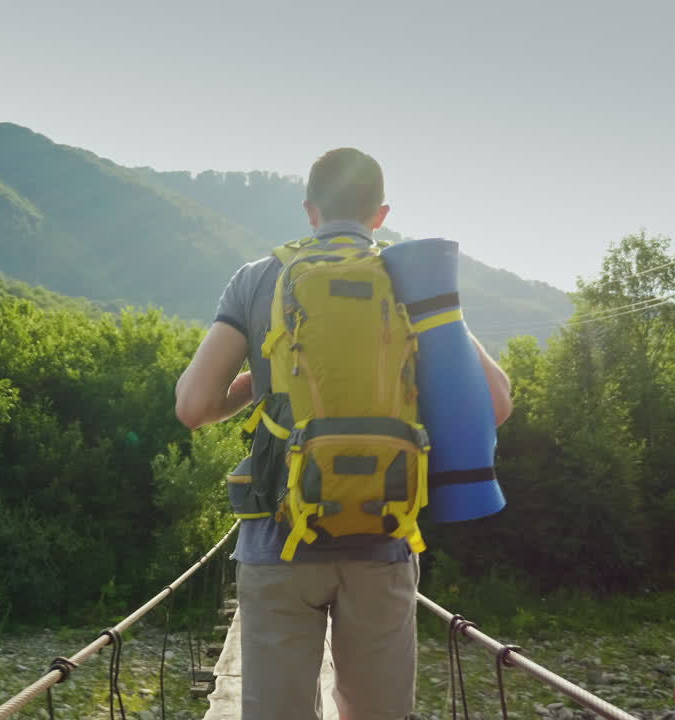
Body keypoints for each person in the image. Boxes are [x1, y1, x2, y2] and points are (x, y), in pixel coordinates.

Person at [174, 148, 513, 720]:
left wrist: (268, 377)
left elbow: (193, 405)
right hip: (384, 536)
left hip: (277, 540)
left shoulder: (260, 279)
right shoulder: (411, 280)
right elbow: (496, 402)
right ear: (380, 214)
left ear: (310, 210)